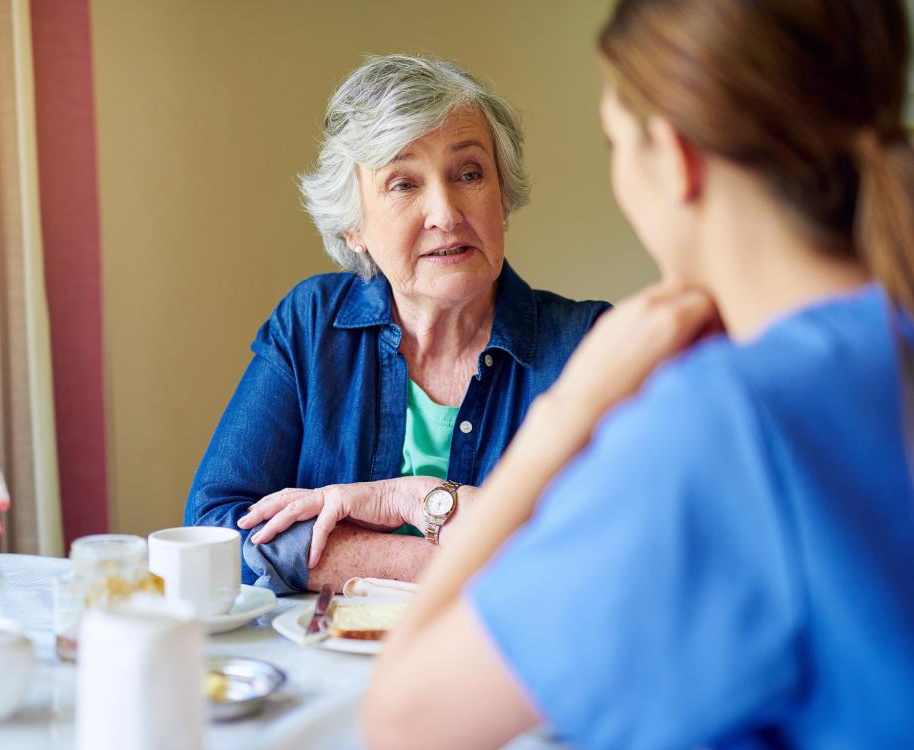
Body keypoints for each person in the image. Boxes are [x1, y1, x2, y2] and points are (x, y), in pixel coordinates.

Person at [363, 1, 914, 748]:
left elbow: (403, 720)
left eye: (617, 142)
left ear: (675, 154)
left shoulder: (719, 424)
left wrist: (571, 410)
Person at [184, 55, 609, 595]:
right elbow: (213, 529)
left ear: (503, 195)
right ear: (353, 228)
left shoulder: (590, 347)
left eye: (469, 173)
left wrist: (418, 502)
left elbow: (607, 557)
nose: (446, 213)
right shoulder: (313, 325)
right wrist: (431, 540)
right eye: (404, 183)